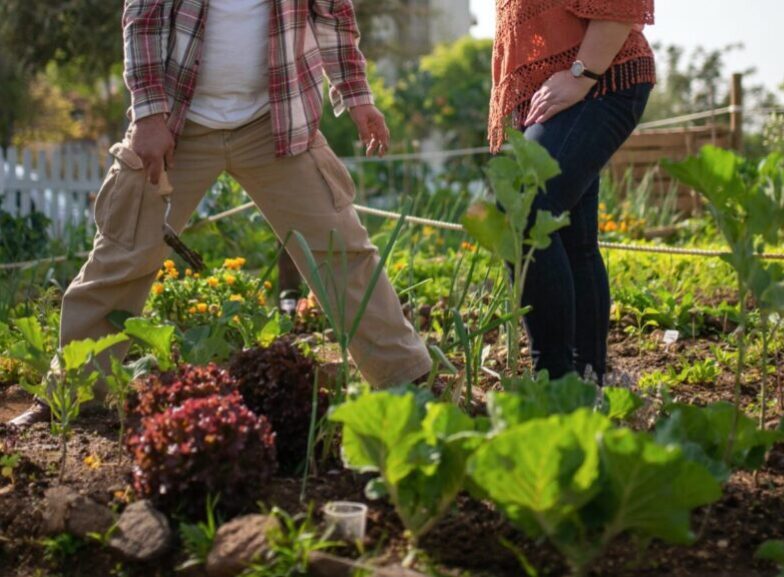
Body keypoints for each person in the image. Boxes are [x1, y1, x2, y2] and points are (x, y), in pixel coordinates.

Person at [8, 0, 432, 427]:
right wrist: (149, 114)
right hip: (178, 124)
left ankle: (406, 378)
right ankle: (72, 395)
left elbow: (333, 14)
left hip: (276, 121)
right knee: (125, 252)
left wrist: (357, 97)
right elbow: (143, 20)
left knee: (341, 250)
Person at [489, 0, 655, 383]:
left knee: (523, 204)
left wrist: (581, 75)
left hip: (602, 77)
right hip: (558, 90)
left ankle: (556, 383)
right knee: (570, 238)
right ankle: (586, 382)